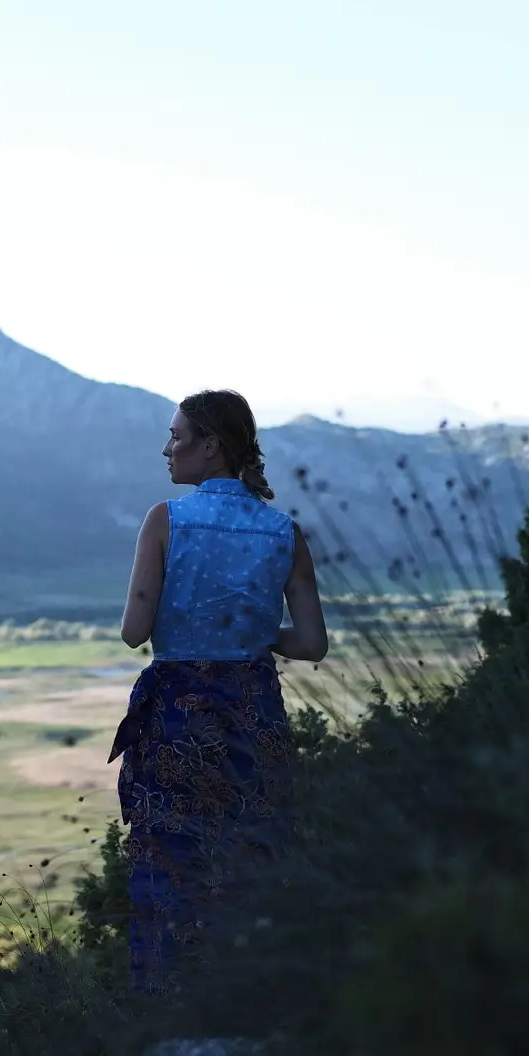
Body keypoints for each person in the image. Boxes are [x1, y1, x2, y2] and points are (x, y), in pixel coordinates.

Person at [110, 388, 327, 993]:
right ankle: (253, 998)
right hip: (253, 713)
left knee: (171, 869)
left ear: (211, 448)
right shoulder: (285, 532)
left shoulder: (165, 521)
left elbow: (134, 632)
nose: (166, 448)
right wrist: (255, 632)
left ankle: (168, 1006)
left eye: (177, 437)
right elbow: (311, 644)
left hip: (178, 717)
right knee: (250, 861)